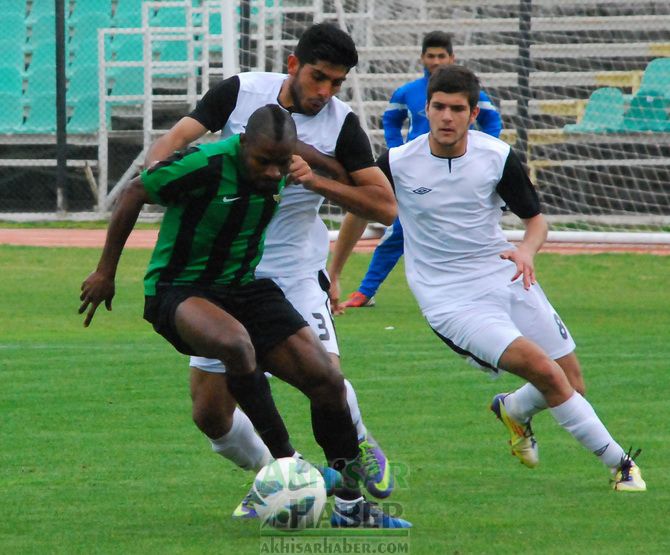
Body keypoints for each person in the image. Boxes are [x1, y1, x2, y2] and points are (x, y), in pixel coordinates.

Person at [80, 104, 411, 529]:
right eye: (264, 162)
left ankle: (350, 505)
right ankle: (289, 464)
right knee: (235, 345)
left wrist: (318, 167)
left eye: (282, 161)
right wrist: (105, 271)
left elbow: (358, 187)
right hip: (180, 288)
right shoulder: (205, 163)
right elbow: (133, 193)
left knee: (328, 383)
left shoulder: (288, 163)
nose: (275, 173)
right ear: (244, 145)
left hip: (247, 287)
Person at [143, 24, 408, 527]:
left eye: (336, 82)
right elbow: (175, 140)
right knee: (211, 416)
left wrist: (321, 180)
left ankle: (353, 485)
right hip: (220, 279)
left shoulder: (342, 125)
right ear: (292, 64)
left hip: (293, 272)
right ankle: (282, 479)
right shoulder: (240, 91)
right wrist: (161, 176)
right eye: (317, 77)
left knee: (325, 379)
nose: (324, 91)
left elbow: (385, 206)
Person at [337, 64, 646, 491]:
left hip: (505, 277)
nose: (447, 117)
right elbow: (359, 209)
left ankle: (514, 410)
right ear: (425, 110)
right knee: (545, 370)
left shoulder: (496, 157)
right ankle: (622, 465)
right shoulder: (398, 162)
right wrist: (334, 274)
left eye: (457, 109)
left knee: (571, 381)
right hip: (448, 299)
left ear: (472, 114)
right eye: (439, 107)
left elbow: (537, 222)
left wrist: (525, 249)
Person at [335, 31, 502, 310]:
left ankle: (485, 291)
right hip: (418, 173)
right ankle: (365, 291)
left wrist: (484, 150)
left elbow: (492, 120)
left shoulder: (473, 96)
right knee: (398, 231)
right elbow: (390, 119)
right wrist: (396, 149)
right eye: (431, 55)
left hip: (459, 172)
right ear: (422, 57)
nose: (435, 61)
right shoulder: (408, 92)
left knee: (476, 232)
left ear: (452, 57)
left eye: (441, 55)